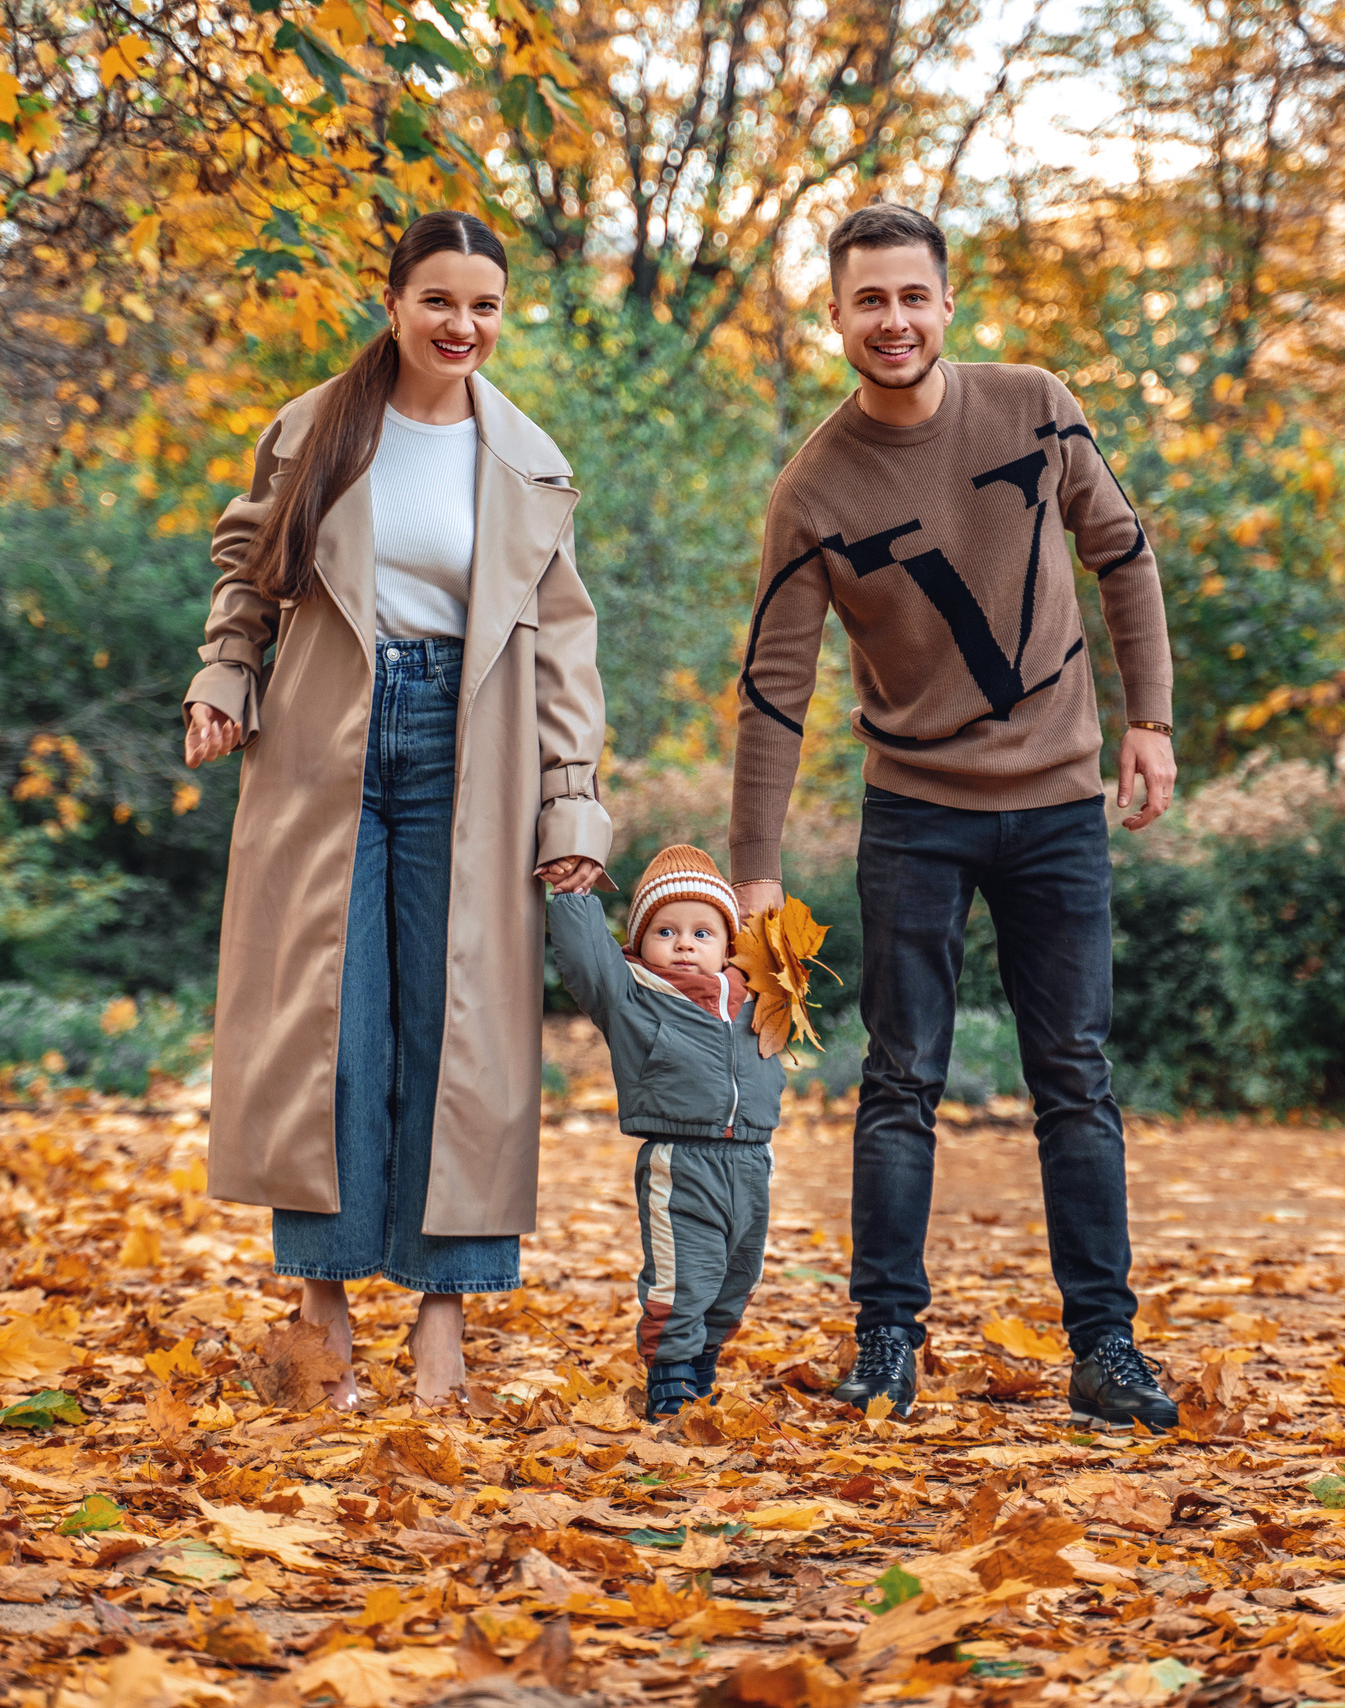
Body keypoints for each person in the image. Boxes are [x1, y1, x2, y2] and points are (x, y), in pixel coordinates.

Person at [725, 203, 1182, 1430]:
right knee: (899, 1078)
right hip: (914, 812)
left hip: (1057, 805)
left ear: (944, 302)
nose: (893, 321)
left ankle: (1106, 1347)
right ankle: (885, 1340)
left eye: (911, 296)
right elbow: (775, 685)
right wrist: (754, 865)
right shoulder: (812, 489)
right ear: (834, 315)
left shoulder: (1036, 405)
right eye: (868, 300)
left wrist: (1148, 719)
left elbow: (1123, 552)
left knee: (1073, 1074)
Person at [181, 210, 611, 1408]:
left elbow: (564, 646)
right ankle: (321, 1306)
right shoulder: (316, 426)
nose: (460, 325)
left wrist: (573, 801)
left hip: (475, 750)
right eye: (438, 301)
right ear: (394, 304)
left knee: (461, 1029)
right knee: (327, 1023)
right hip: (322, 733)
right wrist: (223, 672)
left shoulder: (528, 459)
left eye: (483, 305)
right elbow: (249, 568)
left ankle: (442, 1318)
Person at [547, 846, 788, 1421]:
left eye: (702, 933)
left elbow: (784, 952)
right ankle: (671, 1381)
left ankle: (701, 1370)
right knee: (683, 1278)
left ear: (728, 947)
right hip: (681, 1162)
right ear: (640, 942)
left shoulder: (757, 995)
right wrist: (573, 896)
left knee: (737, 1280)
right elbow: (587, 959)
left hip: (752, 1161)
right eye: (665, 931)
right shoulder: (631, 995)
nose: (684, 944)